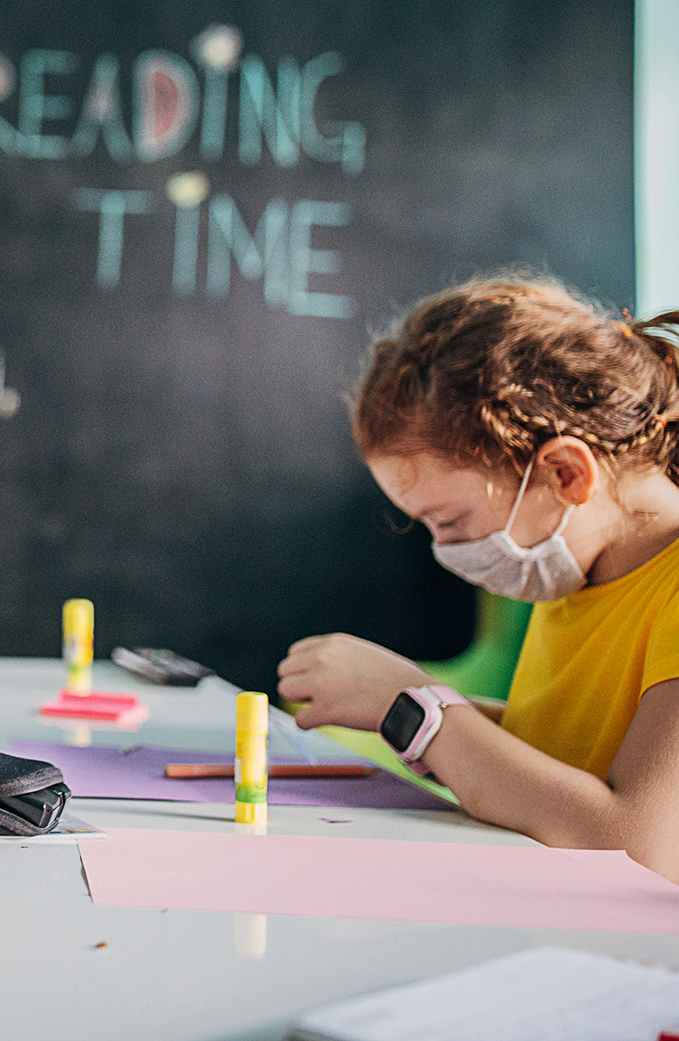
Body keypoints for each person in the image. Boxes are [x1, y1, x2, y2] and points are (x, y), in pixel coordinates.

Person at [279, 276, 679, 879]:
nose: (446, 551)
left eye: (451, 521)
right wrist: (405, 711)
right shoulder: (576, 562)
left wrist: (413, 707)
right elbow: (562, 754)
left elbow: (640, 843)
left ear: (567, 474)